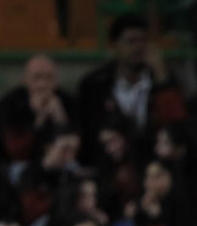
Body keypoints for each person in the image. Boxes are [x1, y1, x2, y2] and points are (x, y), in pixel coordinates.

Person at [77, 13, 186, 164]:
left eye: (143, 41)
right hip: (110, 163)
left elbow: (178, 128)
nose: (138, 47)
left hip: (156, 162)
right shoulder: (95, 84)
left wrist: (162, 77)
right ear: (115, 45)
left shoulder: (165, 81)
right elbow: (88, 131)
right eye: (131, 41)